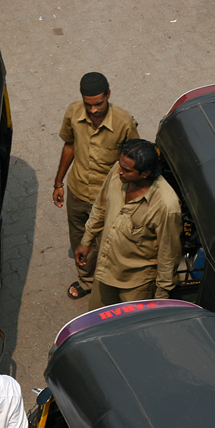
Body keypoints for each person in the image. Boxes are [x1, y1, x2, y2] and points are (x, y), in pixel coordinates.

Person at [52, 72, 140, 300]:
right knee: (79, 238)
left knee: (108, 244)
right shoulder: (73, 112)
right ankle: (86, 281)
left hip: (108, 199)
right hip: (78, 192)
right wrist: (58, 182)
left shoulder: (124, 122)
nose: (93, 110)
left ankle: (106, 286)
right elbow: (69, 146)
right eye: (88, 105)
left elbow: (135, 162)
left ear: (108, 95)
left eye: (99, 104)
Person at [75, 139, 183, 310]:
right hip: (105, 271)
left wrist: (161, 296)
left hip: (136, 286)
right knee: (96, 322)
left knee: (131, 330)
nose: (119, 171)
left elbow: (168, 254)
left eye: (126, 170)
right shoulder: (118, 174)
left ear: (145, 173)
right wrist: (86, 240)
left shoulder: (166, 205)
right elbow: (101, 206)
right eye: (120, 165)